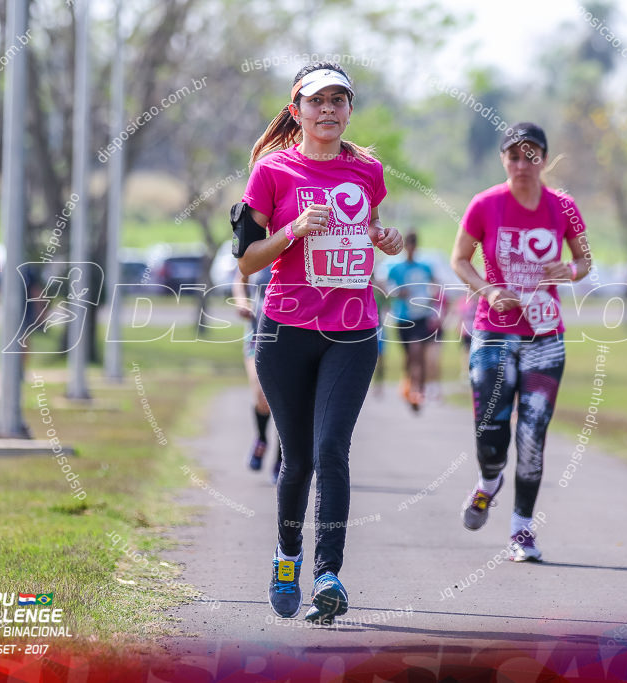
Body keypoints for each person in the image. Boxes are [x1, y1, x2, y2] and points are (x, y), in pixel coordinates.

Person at [235, 62, 403, 623]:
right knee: (299, 458)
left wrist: (386, 238)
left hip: (353, 331)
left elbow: (370, 229)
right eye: (317, 101)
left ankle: (328, 575)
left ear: (349, 109)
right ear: (296, 109)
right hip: (285, 333)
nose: (327, 109)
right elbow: (248, 258)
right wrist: (292, 232)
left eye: (338, 100)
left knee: (333, 449)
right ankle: (287, 558)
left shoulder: (369, 170)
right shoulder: (271, 172)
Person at [450, 122, 591, 562]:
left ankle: (521, 531)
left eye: (531, 155)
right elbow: (459, 259)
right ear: (503, 160)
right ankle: (489, 482)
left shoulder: (563, 207)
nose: (522, 164)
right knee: (492, 432)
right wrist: (488, 290)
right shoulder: (485, 205)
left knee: (532, 435)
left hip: (545, 336)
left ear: (544, 160)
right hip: (494, 331)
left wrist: (568, 271)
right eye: (513, 155)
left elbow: (584, 259)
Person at [232, 265, 282, 482]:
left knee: (287, 401)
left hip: (293, 333)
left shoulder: (299, 240)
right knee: (262, 397)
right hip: (257, 333)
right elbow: (239, 280)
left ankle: (282, 459)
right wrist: (242, 303)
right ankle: (261, 439)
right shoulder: (258, 243)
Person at [386, 231, 438, 412]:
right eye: (408, 245)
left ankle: (418, 390)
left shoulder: (424, 267)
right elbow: (385, 287)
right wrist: (398, 293)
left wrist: (432, 297)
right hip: (402, 318)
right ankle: (409, 384)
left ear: (416, 246)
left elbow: (434, 284)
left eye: (413, 245)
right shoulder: (395, 268)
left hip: (421, 315)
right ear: (404, 247)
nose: (410, 249)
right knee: (410, 356)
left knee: (418, 352)